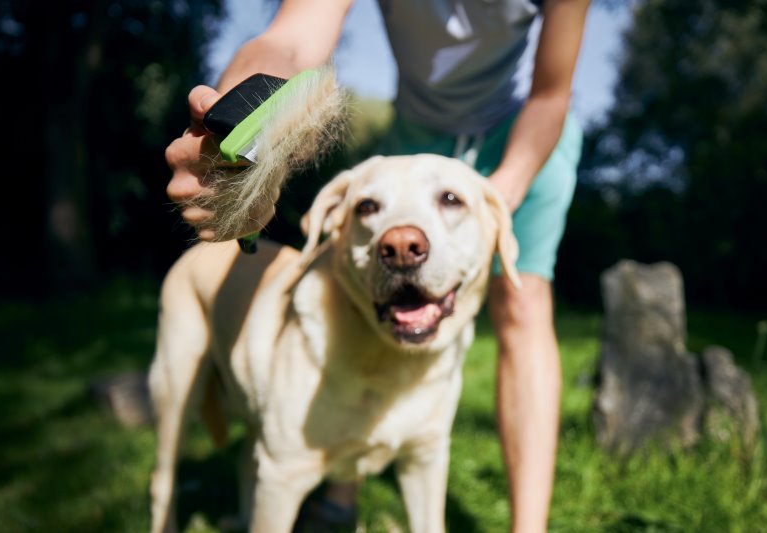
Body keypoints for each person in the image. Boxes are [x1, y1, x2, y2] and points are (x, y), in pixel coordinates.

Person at [165, 0, 589, 531]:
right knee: (368, 288)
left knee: (524, 304)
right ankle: (341, 495)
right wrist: (235, 134)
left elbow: (551, 93)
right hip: (418, 130)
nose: (405, 241)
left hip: (523, 127)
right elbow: (294, 40)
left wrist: (486, 206)